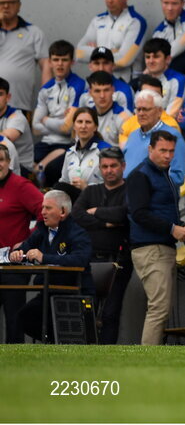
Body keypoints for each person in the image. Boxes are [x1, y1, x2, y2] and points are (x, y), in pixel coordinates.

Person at [125, 130, 185, 346]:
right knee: (159, 307)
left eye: (171, 151)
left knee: (160, 307)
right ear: (150, 149)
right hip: (150, 247)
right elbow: (139, 213)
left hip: (160, 246)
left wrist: (178, 227)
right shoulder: (140, 175)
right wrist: (172, 229)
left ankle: (152, 355)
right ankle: (147, 358)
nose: (168, 155)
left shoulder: (162, 174)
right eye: (163, 150)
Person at [11, 190, 94, 343]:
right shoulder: (42, 230)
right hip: (48, 291)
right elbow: (24, 247)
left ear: (63, 212)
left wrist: (44, 257)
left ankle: (57, 341)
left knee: (54, 320)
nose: (43, 212)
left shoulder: (77, 233)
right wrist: (16, 254)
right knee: (23, 317)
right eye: (42, 208)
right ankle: (53, 341)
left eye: (48, 208)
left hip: (73, 293)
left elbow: (80, 259)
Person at [69, 147, 131, 344]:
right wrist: (105, 223)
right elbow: (77, 215)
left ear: (123, 166)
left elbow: (123, 214)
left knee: (111, 312)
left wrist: (95, 211)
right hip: (90, 259)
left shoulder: (130, 189)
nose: (109, 170)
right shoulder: (91, 190)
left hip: (118, 260)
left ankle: (107, 353)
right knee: (87, 310)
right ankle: (87, 353)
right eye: (104, 166)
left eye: (113, 166)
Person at [0, 144, 42, 343]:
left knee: (13, 320)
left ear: (9, 162)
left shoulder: (21, 186)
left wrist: (28, 240)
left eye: (1, 159)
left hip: (13, 266)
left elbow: (47, 213)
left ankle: (15, 366)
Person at [33, 41, 87, 187]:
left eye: (64, 60)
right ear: (49, 62)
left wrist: (45, 119)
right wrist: (55, 123)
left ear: (72, 62)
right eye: (56, 60)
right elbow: (35, 127)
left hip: (67, 143)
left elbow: (67, 128)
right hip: (45, 142)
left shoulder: (79, 85)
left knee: (53, 169)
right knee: (23, 164)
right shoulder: (46, 88)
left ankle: (42, 167)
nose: (60, 64)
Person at [76, 0, 146, 83]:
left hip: (128, 84)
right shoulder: (98, 20)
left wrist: (96, 54)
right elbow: (79, 54)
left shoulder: (136, 22)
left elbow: (124, 60)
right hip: (100, 83)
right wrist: (112, 52)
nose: (109, 0)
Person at [122, 89, 185, 186]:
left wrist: (145, 183)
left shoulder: (172, 135)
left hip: (154, 197)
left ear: (159, 111)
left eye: (146, 109)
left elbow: (178, 177)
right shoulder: (132, 135)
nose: (141, 113)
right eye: (138, 109)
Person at [0, 0, 48, 113]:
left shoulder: (33, 33)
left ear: (19, 6)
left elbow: (46, 66)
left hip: (19, 106)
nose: (5, 6)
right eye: (2, 3)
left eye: (10, 2)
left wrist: (46, 101)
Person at [56, 106, 112, 202]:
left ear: (95, 127)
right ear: (74, 126)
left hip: (98, 201)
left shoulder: (105, 150)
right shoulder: (70, 152)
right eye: (80, 122)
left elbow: (113, 184)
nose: (83, 126)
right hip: (74, 202)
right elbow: (64, 181)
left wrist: (86, 187)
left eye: (88, 122)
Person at [76, 71, 130, 165]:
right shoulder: (86, 117)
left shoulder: (124, 117)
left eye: (106, 90)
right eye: (97, 91)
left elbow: (127, 154)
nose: (102, 96)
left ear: (113, 90)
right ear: (90, 93)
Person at [137, 38, 185, 119]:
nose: (151, 61)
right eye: (147, 57)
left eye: (156, 57)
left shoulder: (179, 80)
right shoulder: (143, 81)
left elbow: (171, 116)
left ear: (168, 59)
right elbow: (136, 111)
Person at [0, 77, 33, 174]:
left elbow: (6, 138)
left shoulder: (18, 117)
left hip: (21, 166)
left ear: (8, 97)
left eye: (0, 94)